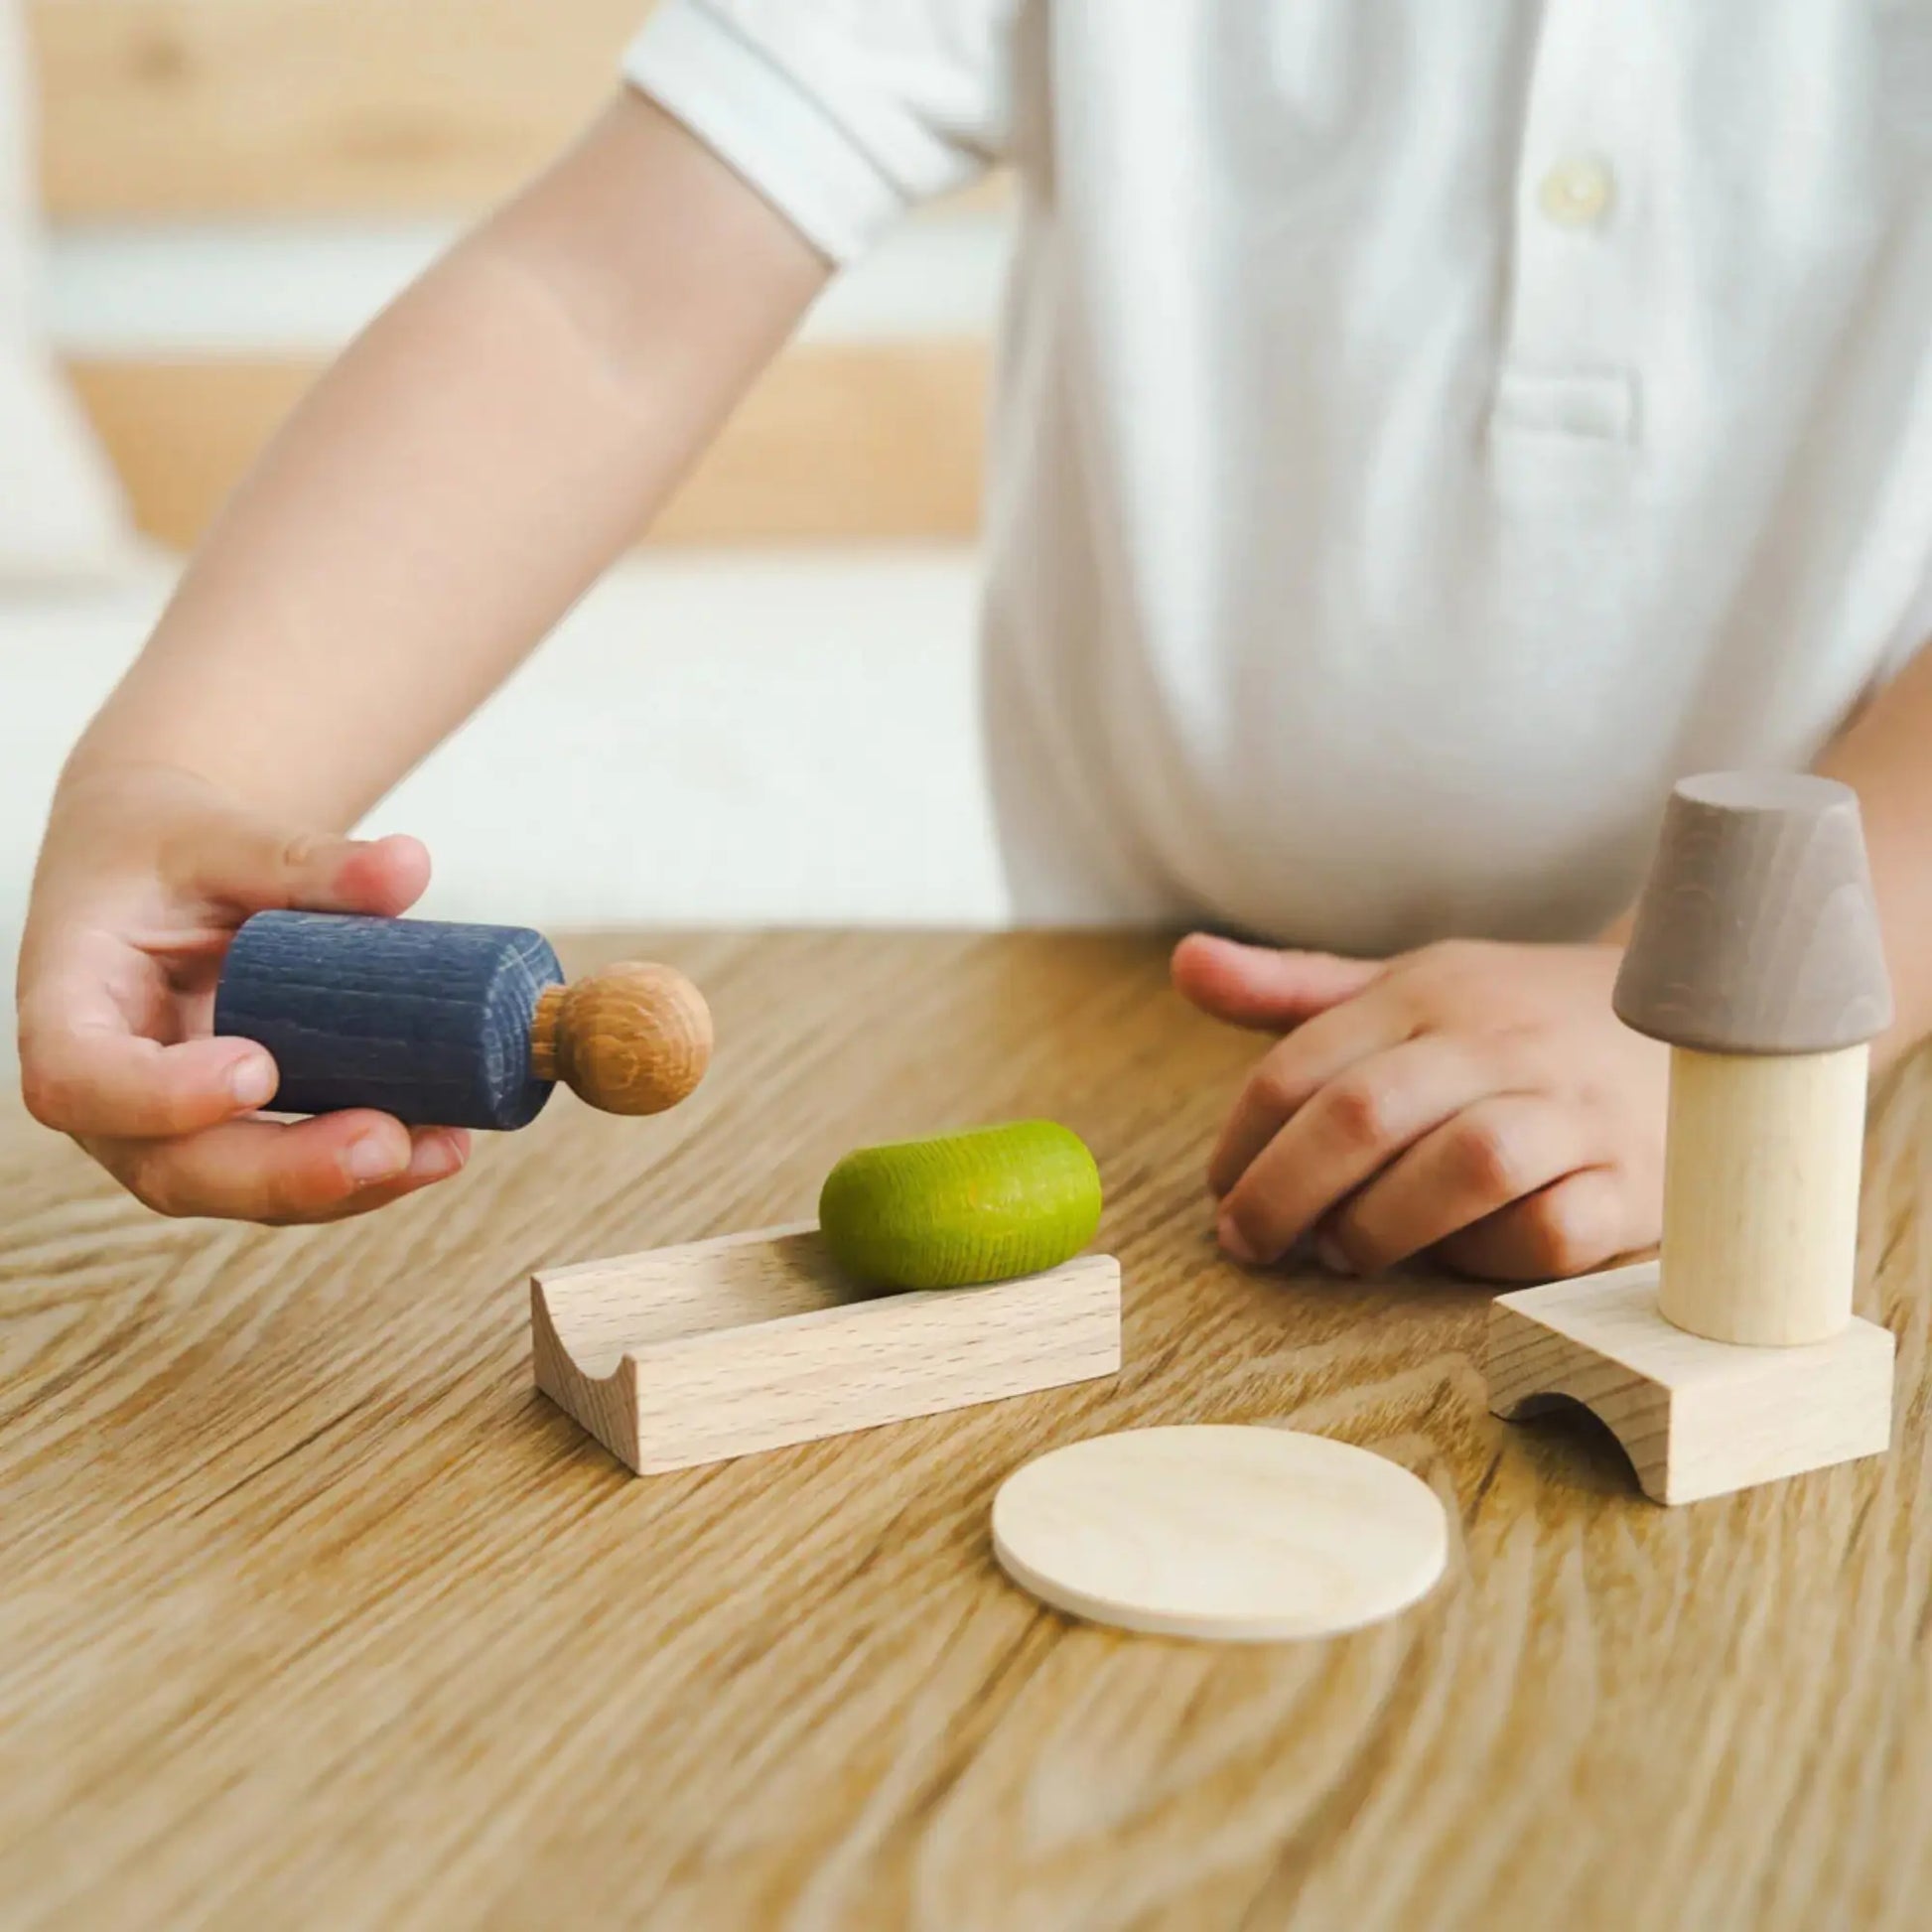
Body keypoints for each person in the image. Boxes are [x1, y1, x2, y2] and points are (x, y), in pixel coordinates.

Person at [18, 2, 1932, 1276]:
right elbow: (596, 305)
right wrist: (190, 776)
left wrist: (1715, 1027)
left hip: (1835, 1057)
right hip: (1150, 1037)